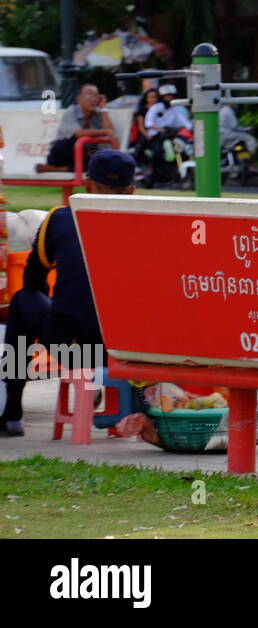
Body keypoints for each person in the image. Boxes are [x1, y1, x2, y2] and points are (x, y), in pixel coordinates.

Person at [1, 150, 136, 436]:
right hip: (130, 351)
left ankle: (12, 410)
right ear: (131, 190)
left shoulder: (61, 218)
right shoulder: (150, 225)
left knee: (23, 300)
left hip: (72, 349)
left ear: (87, 184)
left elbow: (33, 279)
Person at [38, 84, 116, 171]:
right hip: (63, 154)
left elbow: (111, 133)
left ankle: (59, 170)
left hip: (85, 156)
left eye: (96, 96)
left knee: (97, 160)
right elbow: (78, 133)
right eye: (89, 96)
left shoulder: (100, 114)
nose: (93, 99)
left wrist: (104, 109)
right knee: (70, 142)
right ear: (79, 99)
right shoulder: (71, 111)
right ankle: (61, 168)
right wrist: (104, 132)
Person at [129, 88, 159, 161]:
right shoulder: (142, 110)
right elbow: (141, 127)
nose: (153, 99)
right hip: (146, 135)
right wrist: (147, 136)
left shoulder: (160, 108)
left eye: (155, 97)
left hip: (158, 134)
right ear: (146, 98)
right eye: (151, 97)